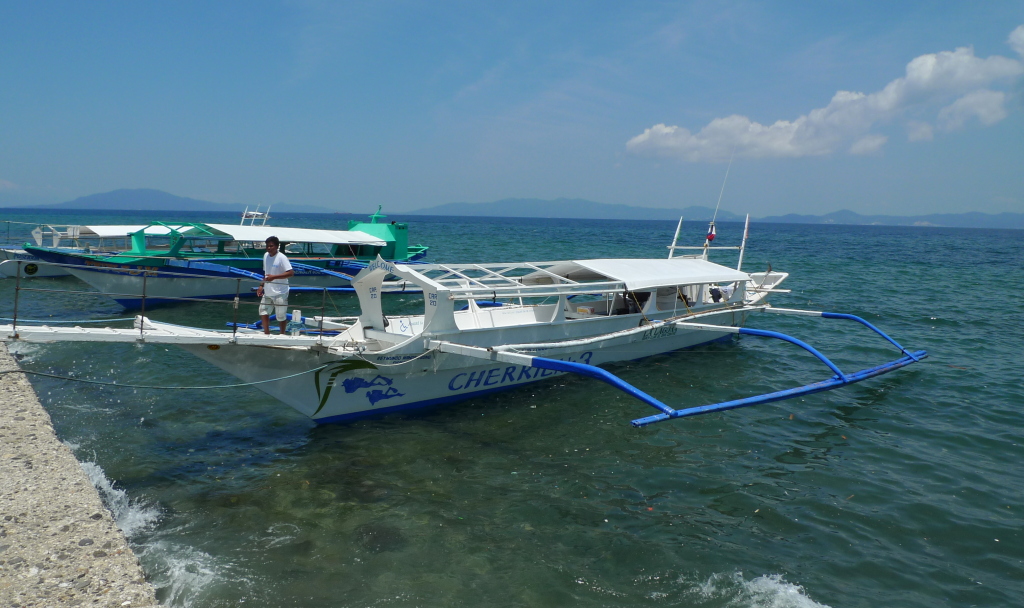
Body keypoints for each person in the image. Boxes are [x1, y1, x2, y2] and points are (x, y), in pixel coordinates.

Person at [256, 236, 294, 335]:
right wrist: (261, 286)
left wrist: (274, 277)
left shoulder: (282, 258)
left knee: (280, 316)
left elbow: (290, 273)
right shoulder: (265, 256)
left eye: (271, 246)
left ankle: (282, 334)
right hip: (268, 290)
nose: (269, 248)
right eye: (267, 246)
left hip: (280, 291)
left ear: (276, 246)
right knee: (263, 311)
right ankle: (266, 333)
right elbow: (266, 272)